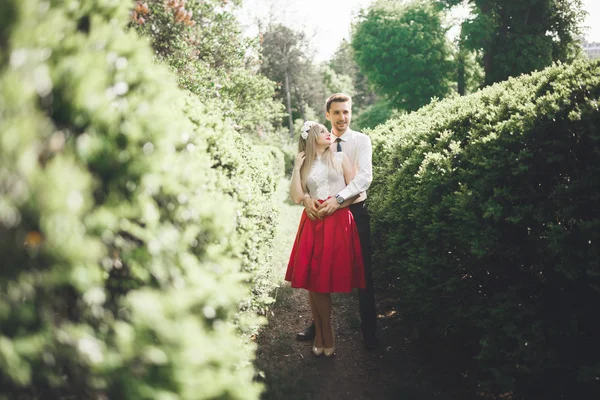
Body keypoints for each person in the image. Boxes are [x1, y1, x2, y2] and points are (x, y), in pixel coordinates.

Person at [296, 93, 379, 349]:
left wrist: (338, 199)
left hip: (354, 211)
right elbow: (311, 175)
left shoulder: (360, 140)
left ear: (351, 112)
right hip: (322, 215)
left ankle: (370, 332)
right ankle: (318, 326)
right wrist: (308, 197)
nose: (342, 117)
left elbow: (364, 178)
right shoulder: (321, 141)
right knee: (318, 270)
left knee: (362, 271)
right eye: (337, 113)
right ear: (328, 115)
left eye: (346, 112)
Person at [285, 121, 366, 357]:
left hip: (337, 221)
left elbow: (357, 191)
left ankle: (326, 332)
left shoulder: (340, 158)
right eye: (322, 131)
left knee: (322, 280)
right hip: (312, 222)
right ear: (311, 138)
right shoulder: (305, 163)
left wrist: (337, 204)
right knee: (313, 279)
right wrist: (297, 167)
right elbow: (296, 196)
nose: (327, 133)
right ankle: (321, 331)